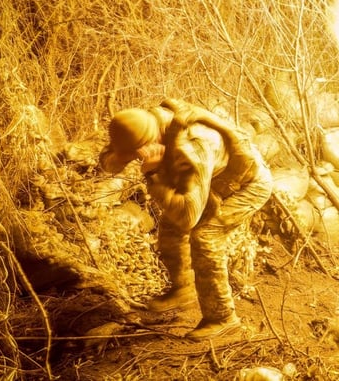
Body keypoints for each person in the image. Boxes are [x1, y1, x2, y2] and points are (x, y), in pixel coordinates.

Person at [99, 98, 273, 340]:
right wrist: (123, 158)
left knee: (205, 236)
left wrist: (154, 174)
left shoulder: (193, 146)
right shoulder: (144, 123)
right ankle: (183, 290)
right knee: (170, 226)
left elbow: (189, 217)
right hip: (215, 179)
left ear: (148, 143)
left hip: (247, 185)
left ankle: (222, 317)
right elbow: (110, 160)